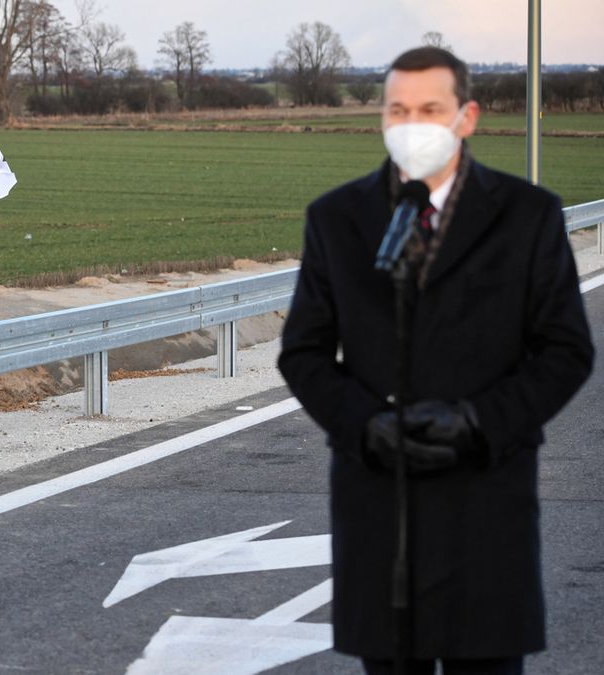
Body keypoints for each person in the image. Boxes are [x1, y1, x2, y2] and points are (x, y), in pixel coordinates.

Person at [278, 47, 594, 675]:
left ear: (466, 116)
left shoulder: (526, 217)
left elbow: (565, 350)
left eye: (429, 108)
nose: (411, 122)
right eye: (398, 109)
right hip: (380, 504)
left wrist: (480, 422)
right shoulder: (338, 218)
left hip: (486, 500)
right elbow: (304, 352)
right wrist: (364, 424)